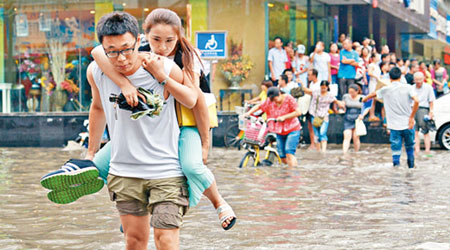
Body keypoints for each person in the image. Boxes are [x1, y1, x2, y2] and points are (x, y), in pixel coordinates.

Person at [91, 8, 236, 230]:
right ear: (144, 37)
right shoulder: (136, 52)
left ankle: (219, 202)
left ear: (179, 35)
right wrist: (124, 84)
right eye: (156, 39)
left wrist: (206, 143)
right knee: (100, 163)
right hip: (153, 127)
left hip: (186, 123)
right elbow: (97, 53)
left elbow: (195, 102)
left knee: (192, 165)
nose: (163, 46)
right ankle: (134, 212)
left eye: (170, 40)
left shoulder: (188, 57)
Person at [91, 11, 195, 249]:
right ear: (104, 49)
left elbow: (191, 100)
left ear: (139, 41)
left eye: (127, 49)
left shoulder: (164, 67)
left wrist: (161, 78)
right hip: (124, 172)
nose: (122, 58)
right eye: (113, 51)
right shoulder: (96, 71)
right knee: (135, 241)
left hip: (166, 171)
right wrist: (90, 153)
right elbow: (97, 108)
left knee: (166, 240)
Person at [363, 67, 419, 168]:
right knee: (410, 147)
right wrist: (411, 117)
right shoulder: (408, 88)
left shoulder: (385, 90)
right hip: (408, 124)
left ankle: (396, 174)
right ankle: (411, 169)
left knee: (395, 149)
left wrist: (364, 99)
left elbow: (373, 94)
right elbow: (417, 101)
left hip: (394, 126)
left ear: (390, 77)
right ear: (400, 76)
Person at [244, 87, 302, 167]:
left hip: (292, 129)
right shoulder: (269, 101)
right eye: (273, 100)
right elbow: (259, 106)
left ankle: (293, 175)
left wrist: (284, 117)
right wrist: (248, 113)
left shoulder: (289, 99)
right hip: (279, 131)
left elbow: (298, 112)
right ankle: (288, 171)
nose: (275, 102)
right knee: (282, 156)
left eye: (276, 99)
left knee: (289, 152)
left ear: (280, 94)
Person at [302, 80, 344, 152]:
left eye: (324, 88)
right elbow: (306, 90)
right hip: (314, 115)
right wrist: (301, 83)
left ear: (327, 87)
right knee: (316, 134)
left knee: (322, 133)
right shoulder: (316, 92)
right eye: (322, 88)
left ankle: (323, 150)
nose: (323, 89)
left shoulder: (330, 95)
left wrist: (341, 106)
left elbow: (337, 102)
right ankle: (318, 150)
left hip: (324, 116)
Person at [413, 72, 436, 156]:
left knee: (425, 131)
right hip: (413, 109)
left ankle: (427, 150)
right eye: (417, 80)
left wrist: (431, 112)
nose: (418, 81)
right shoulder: (411, 88)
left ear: (423, 79)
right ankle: (417, 150)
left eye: (420, 79)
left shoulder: (428, 87)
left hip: (423, 109)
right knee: (414, 131)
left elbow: (431, 101)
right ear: (414, 80)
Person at [342, 84, 369, 154]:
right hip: (348, 117)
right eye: (350, 92)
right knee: (347, 135)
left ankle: (356, 152)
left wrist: (363, 115)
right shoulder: (346, 96)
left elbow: (367, 108)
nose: (351, 94)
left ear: (357, 91)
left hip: (358, 118)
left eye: (353, 92)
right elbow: (343, 104)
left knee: (356, 137)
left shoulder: (362, 97)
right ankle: (344, 153)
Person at [367, 53, 381, 121]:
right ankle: (371, 115)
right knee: (372, 99)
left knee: (374, 100)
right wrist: (376, 77)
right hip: (373, 83)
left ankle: (373, 114)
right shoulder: (371, 65)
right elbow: (369, 73)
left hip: (377, 84)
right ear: (373, 58)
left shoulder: (376, 65)